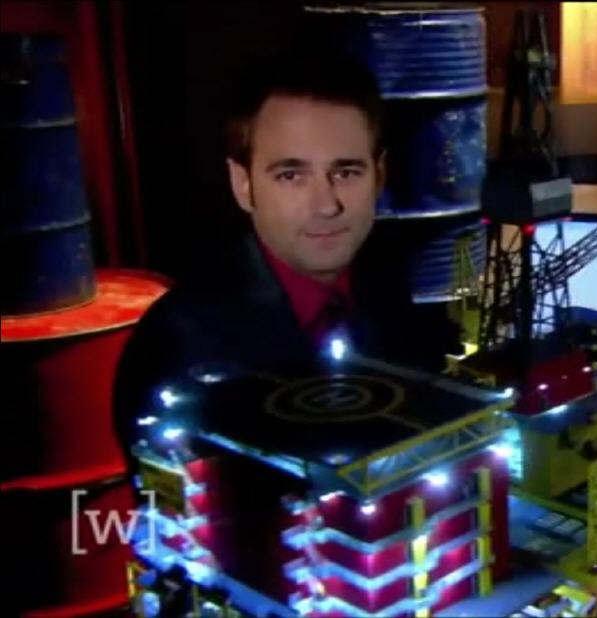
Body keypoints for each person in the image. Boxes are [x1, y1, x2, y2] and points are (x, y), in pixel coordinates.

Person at [112, 47, 461, 466]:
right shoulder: (178, 341)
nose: (327, 205)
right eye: (291, 175)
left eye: (346, 172)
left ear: (379, 175)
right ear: (243, 184)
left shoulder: (392, 289)